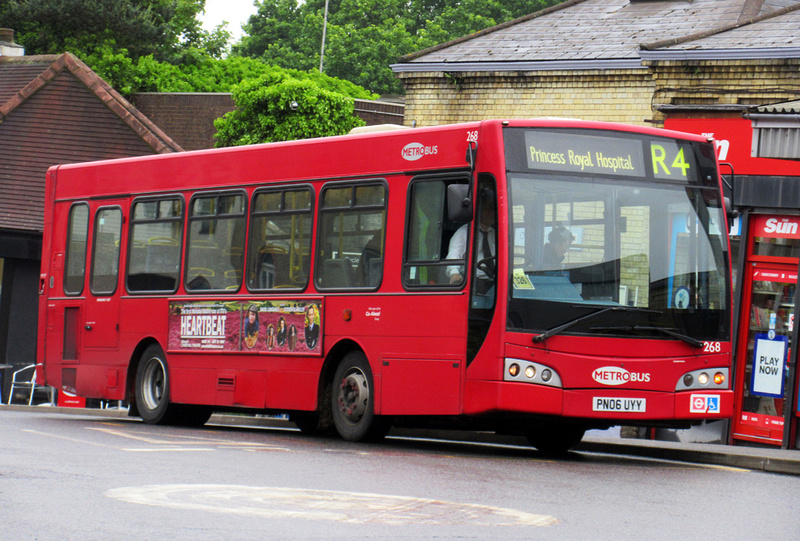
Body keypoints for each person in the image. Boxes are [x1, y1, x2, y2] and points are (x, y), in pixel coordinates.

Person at [446, 193, 496, 291]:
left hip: (495, 281)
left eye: (494, 210)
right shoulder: (464, 233)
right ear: (479, 210)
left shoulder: (494, 234)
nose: (493, 214)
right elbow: (454, 255)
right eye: (489, 209)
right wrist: (454, 273)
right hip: (475, 283)